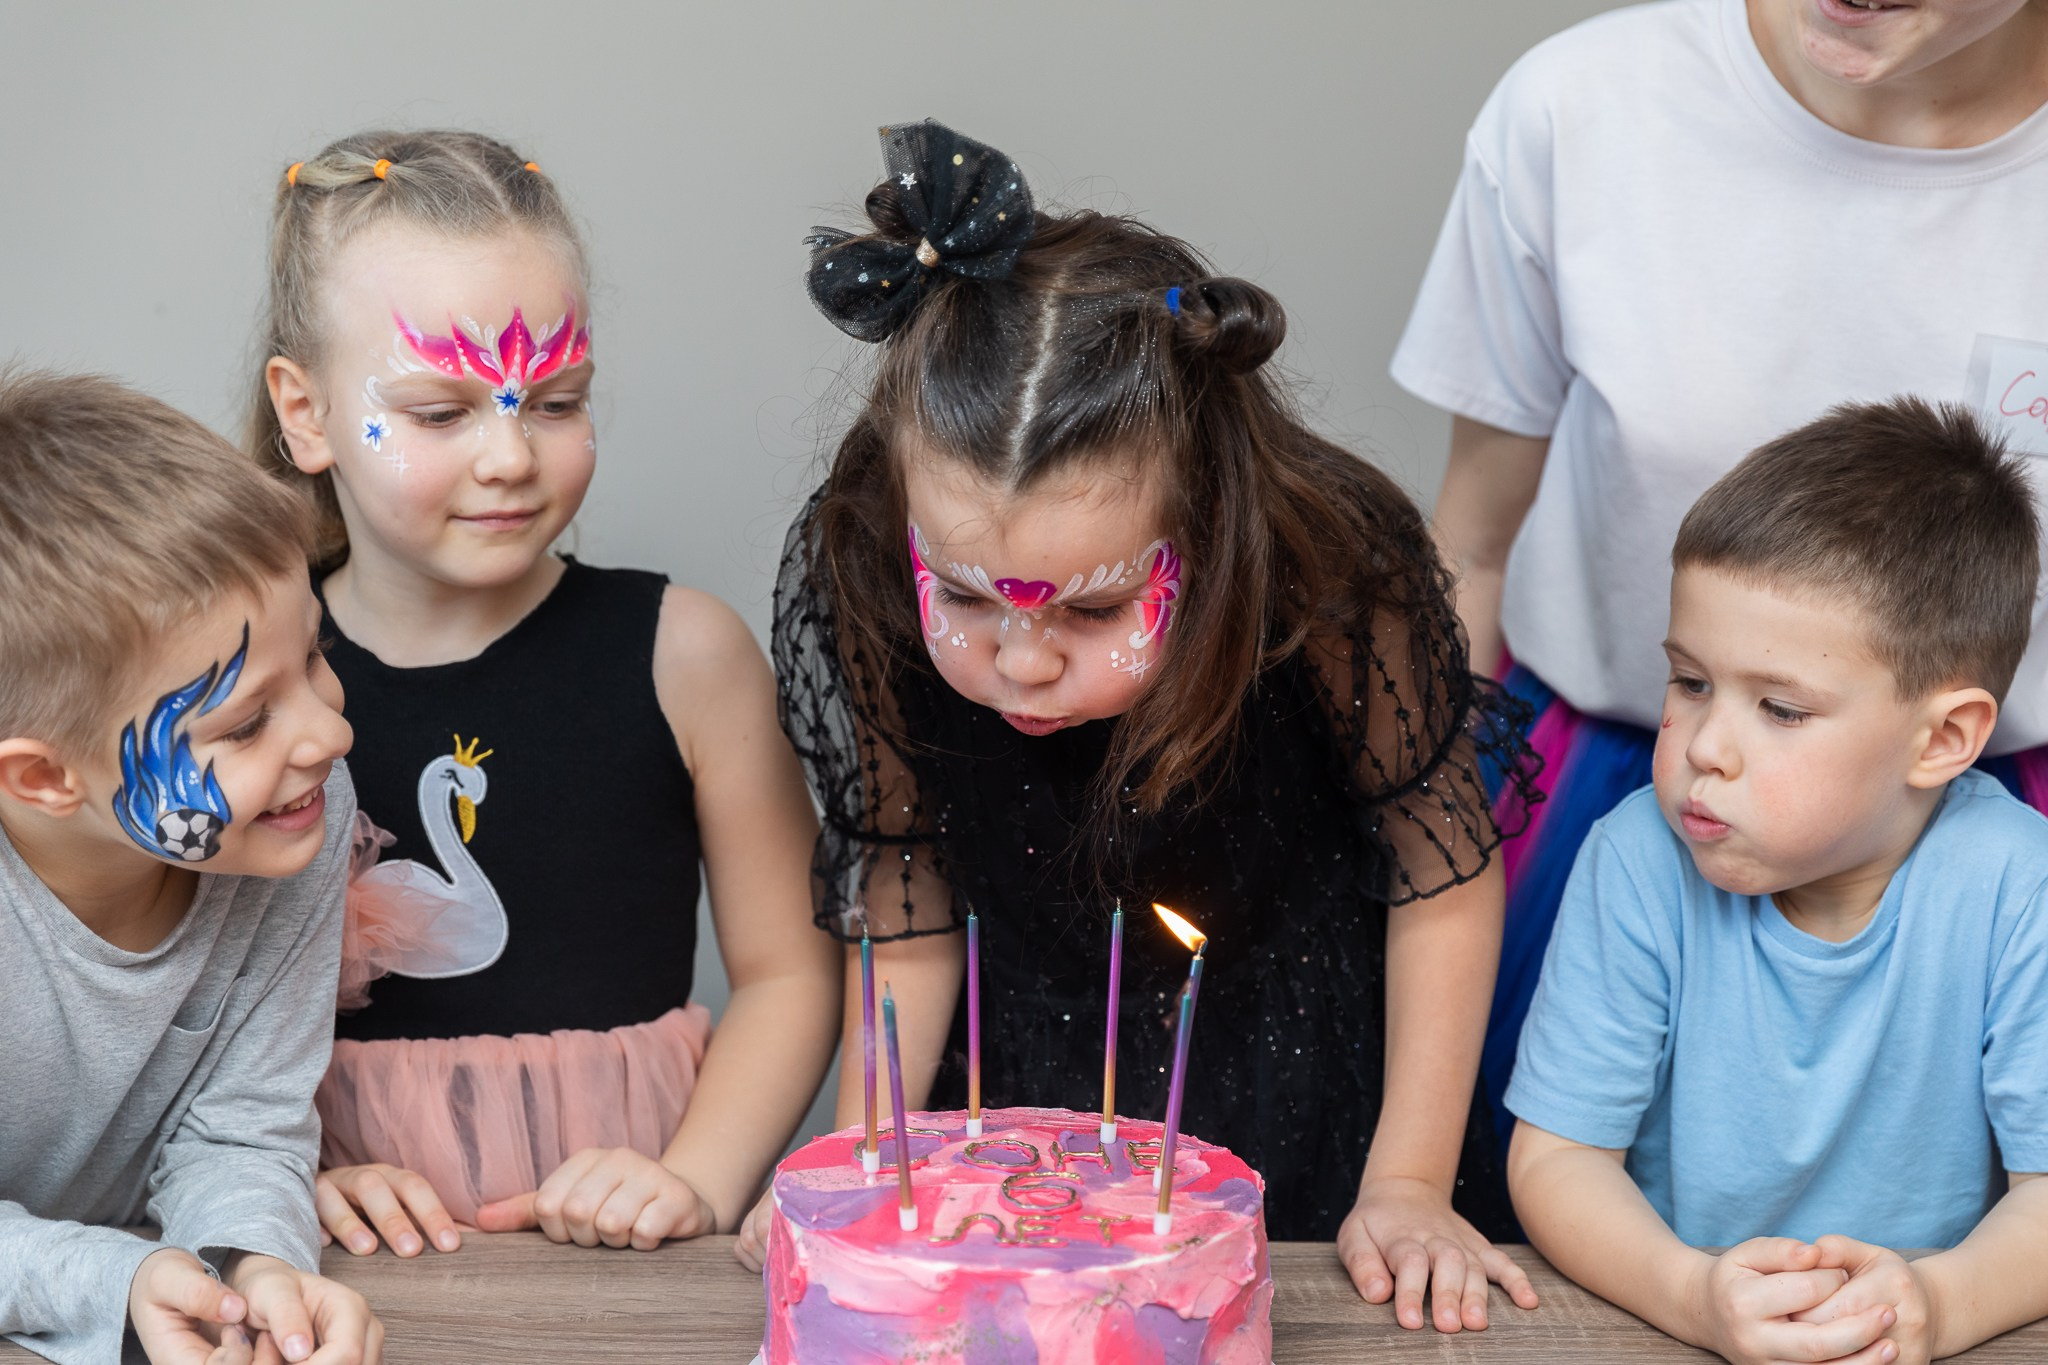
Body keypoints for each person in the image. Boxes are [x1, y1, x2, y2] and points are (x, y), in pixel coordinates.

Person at [759, 119, 1543, 1334]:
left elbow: (1438, 877)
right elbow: (902, 898)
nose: (1019, 658)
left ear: (1208, 527)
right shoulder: (858, 557)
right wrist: (867, 1162)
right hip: (1008, 1104)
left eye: (1092, 605)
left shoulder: (1328, 572)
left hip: (1299, 1073)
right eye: (962, 597)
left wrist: (1403, 1184)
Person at [1393, 0, 2048, 1142]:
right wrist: (1428, 856)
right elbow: (1471, 545)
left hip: (2012, 820)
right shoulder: (1582, 109)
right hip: (1617, 789)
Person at [251, 129, 839, 1259]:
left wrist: (694, 1182)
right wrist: (279, 1176)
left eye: (556, 401)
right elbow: (183, 1001)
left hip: (623, 1259)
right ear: (308, 411)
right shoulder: (246, 688)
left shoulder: (687, 656)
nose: (511, 456)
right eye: (438, 412)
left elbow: (786, 969)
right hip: (343, 1259)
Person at [1508, 398, 2048, 1365]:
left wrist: (1939, 1303)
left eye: (1782, 709)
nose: (1707, 748)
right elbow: (1557, 1158)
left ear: (1943, 739)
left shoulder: (2019, 884)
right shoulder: (1636, 857)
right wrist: (1693, 1298)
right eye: (1691, 682)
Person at [0, 373, 379, 1365]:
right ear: (43, 777)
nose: (329, 732)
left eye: (319, 656)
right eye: (247, 720)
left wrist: (252, 1275)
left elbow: (246, 1125)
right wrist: (111, 1283)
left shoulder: (295, 817)